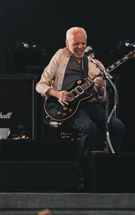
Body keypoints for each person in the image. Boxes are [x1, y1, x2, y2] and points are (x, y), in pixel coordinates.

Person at [36, 27, 125, 162]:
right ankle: (82, 167)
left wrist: (100, 88)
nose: (80, 47)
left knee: (118, 126)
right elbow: (40, 85)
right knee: (90, 128)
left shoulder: (95, 64)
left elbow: (102, 97)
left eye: (83, 43)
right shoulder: (60, 55)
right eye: (75, 43)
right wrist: (58, 94)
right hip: (69, 107)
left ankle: (110, 164)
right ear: (67, 43)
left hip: (91, 105)